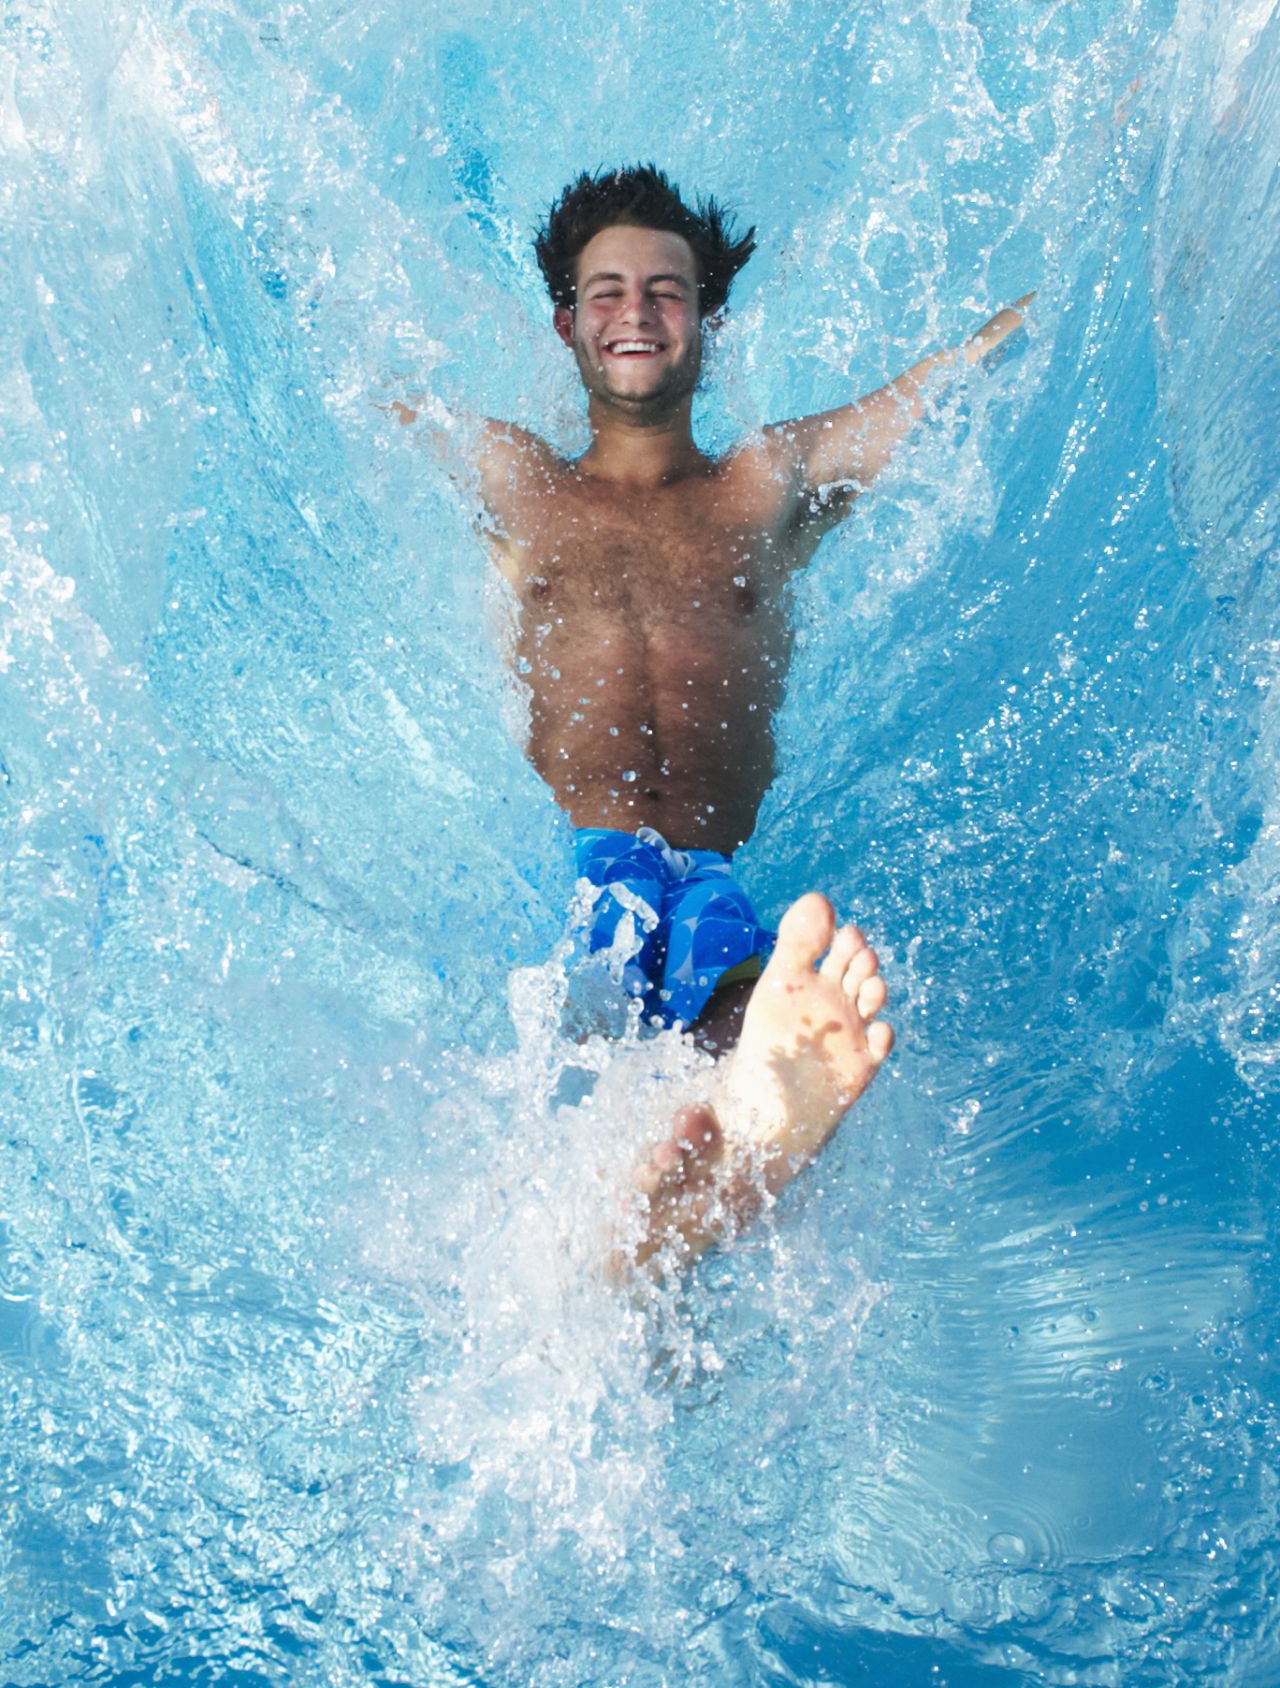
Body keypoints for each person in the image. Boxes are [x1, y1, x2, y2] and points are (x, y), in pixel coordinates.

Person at [390, 164, 1032, 1266]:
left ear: (705, 318)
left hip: (710, 877)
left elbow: (940, 384)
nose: (635, 312)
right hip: (575, 872)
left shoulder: (763, 485)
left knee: (739, 1014)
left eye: (665, 290)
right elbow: (361, 389)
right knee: (609, 1033)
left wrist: (1064, 264)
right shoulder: (517, 477)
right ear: (565, 323)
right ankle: (686, 1192)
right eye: (606, 291)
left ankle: (704, 1176)